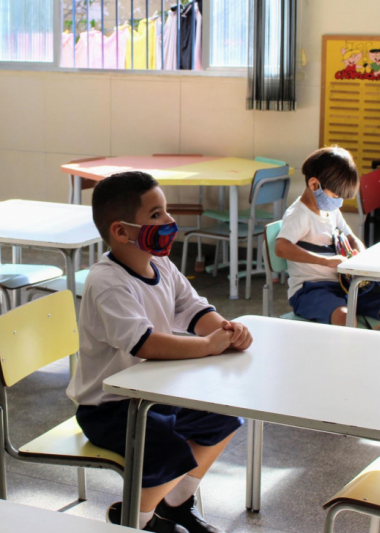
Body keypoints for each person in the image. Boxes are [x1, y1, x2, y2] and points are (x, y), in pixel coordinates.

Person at [68, 171, 251, 533]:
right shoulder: (107, 282)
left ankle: (174, 506)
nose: (169, 221)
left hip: (155, 392)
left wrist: (226, 331)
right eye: (156, 215)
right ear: (121, 232)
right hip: (109, 407)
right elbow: (145, 343)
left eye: (165, 211)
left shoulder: (160, 263)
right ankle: (135, 519)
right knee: (166, 449)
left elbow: (195, 309)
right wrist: (206, 347)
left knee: (223, 418)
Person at [275, 147, 380, 333]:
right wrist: (325, 261)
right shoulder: (299, 215)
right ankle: (345, 361)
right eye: (336, 196)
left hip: (345, 284)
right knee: (346, 318)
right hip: (311, 290)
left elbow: (351, 238)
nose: (338, 202)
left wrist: (361, 257)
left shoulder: (330, 209)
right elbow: (281, 247)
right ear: (315, 185)